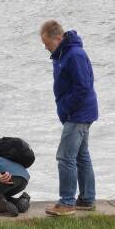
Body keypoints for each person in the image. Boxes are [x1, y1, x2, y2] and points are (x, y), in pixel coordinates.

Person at [39, 20, 99, 217]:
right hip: (77, 113)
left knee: (65, 157)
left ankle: (67, 202)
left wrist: (65, 108)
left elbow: (83, 87)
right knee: (81, 155)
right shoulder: (62, 54)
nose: (46, 48)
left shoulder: (74, 55)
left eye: (47, 44)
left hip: (78, 114)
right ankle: (87, 199)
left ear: (58, 38)